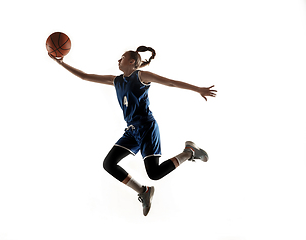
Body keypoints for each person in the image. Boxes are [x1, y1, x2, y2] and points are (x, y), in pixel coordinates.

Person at [48, 46, 217, 216]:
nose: (118, 60)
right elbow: (84, 76)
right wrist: (61, 63)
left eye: (121, 57)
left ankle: (188, 152)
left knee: (155, 173)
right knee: (109, 164)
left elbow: (170, 82)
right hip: (131, 132)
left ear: (132, 62)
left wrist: (198, 89)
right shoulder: (116, 80)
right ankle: (143, 191)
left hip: (146, 128)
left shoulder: (141, 76)